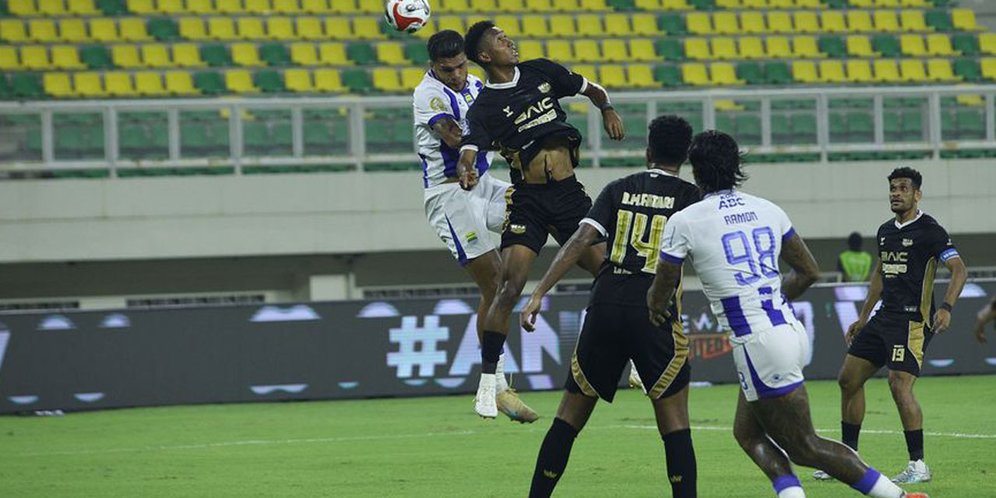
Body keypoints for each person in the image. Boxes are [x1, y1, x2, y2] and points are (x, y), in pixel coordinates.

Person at [647, 131, 929, 498]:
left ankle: (898, 496)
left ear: (695, 171)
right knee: (747, 433)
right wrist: (767, 297)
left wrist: (653, 308)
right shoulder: (768, 209)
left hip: (758, 342)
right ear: (736, 166)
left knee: (805, 446)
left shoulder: (685, 221)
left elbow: (662, 289)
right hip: (787, 330)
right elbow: (809, 271)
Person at [520, 115, 701, 498]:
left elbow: (579, 240)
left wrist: (539, 293)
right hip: (653, 308)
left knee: (568, 418)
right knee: (674, 424)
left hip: (605, 303)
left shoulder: (620, 188)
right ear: (685, 155)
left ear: (648, 152)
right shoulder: (691, 199)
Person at [457, 20, 625, 419]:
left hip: (569, 198)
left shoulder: (542, 72)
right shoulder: (484, 108)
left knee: (611, 274)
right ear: (485, 55)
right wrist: (466, 167)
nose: (509, 41)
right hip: (528, 201)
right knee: (508, 286)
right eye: (500, 40)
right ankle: (487, 386)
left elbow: (594, 89)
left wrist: (607, 108)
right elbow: (469, 148)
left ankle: (634, 358)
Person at [413, 29, 537, 423]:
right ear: (434, 67)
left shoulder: (477, 86)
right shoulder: (428, 94)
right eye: (447, 69)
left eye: (460, 67)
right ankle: (496, 385)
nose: (456, 75)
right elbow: (453, 137)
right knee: (496, 283)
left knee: (537, 204)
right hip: (450, 196)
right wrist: (498, 133)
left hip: (482, 185)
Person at [814, 167, 967, 484]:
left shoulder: (931, 231)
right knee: (848, 380)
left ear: (917, 194)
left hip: (912, 320)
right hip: (884, 317)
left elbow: (959, 269)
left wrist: (947, 307)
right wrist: (863, 317)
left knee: (899, 385)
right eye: (893, 188)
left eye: (903, 188)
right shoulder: (885, 231)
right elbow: (880, 274)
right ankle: (848, 460)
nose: (896, 193)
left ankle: (918, 465)